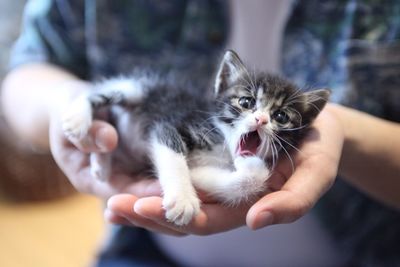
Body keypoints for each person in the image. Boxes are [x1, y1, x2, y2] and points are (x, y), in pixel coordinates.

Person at [1, 0, 400, 266]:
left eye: (277, 117)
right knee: (129, 94)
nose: (261, 120)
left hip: (361, 253)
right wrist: (69, 103)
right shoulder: (206, 123)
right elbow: (28, 68)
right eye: (248, 105)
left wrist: (346, 133)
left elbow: (211, 177)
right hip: (149, 249)